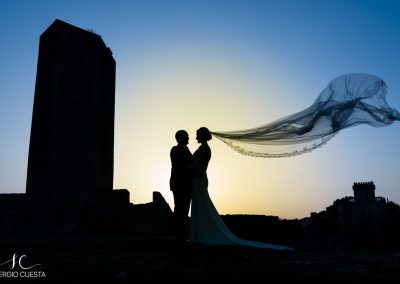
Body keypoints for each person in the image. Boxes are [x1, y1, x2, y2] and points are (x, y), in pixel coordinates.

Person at [190, 127, 293, 251]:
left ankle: (204, 235)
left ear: (202, 136)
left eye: (197, 135)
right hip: (198, 179)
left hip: (199, 179)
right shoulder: (204, 148)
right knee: (199, 205)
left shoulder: (204, 149)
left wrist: (182, 166)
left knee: (201, 205)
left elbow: (196, 166)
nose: (196, 137)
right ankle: (200, 234)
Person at [170, 130, 193, 245]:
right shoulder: (175, 149)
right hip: (179, 184)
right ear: (181, 138)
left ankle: (182, 236)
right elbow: (180, 165)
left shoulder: (186, 150)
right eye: (187, 136)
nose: (189, 138)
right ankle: (179, 237)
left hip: (187, 184)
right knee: (179, 209)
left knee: (184, 210)